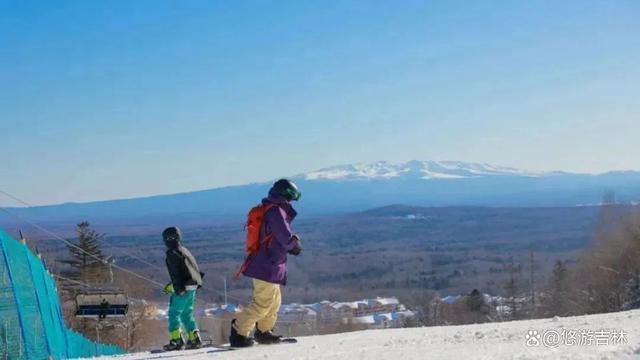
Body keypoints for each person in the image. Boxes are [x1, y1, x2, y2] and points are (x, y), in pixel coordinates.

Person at [229, 179, 303, 347]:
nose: (291, 201)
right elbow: (284, 235)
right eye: (291, 197)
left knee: (274, 301)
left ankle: (264, 331)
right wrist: (294, 245)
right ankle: (239, 331)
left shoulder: (273, 208)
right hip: (266, 264)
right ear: (286, 194)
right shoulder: (275, 211)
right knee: (263, 303)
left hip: (272, 263)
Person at [162, 226, 205, 351]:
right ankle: (194, 338)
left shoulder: (172, 252)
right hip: (193, 285)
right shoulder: (184, 250)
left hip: (183, 287)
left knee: (174, 313)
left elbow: (176, 273)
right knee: (187, 313)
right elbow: (188, 270)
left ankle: (176, 340)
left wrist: (176, 288)